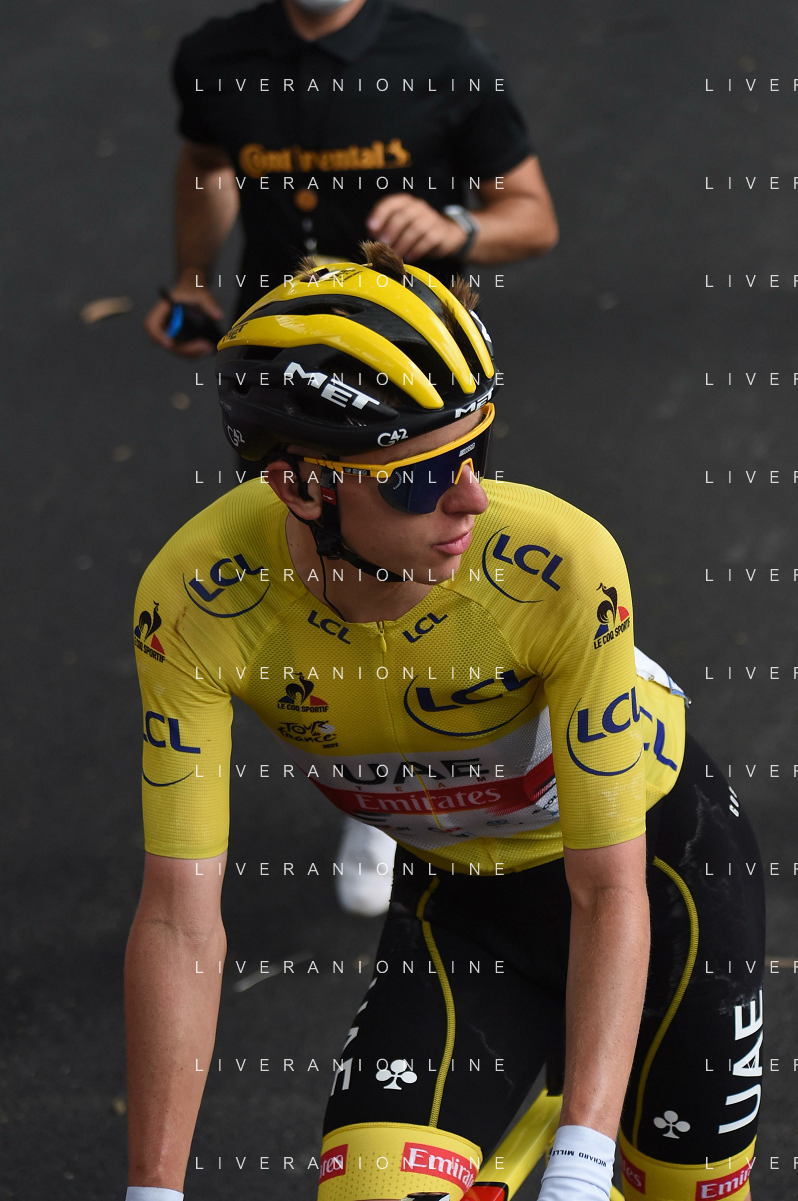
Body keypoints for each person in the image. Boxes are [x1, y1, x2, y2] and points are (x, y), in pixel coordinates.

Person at [126, 243, 764, 1201]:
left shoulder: (561, 563)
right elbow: (179, 920)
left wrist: (584, 1164)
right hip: (461, 897)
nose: (470, 497)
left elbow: (608, 890)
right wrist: (152, 1190)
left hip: (661, 877)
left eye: (474, 451)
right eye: (420, 476)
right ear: (300, 485)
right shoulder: (194, 602)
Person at [143, 0, 558, 359]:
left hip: (419, 361)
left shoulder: (450, 60)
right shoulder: (211, 59)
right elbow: (206, 165)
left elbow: (534, 219)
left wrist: (454, 229)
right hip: (272, 350)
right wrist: (192, 278)